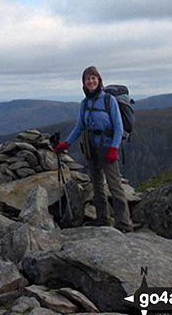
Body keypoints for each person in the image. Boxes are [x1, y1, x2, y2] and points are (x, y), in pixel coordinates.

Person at [54, 66, 134, 233]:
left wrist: (114, 148)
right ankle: (102, 219)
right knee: (97, 185)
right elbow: (79, 127)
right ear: (83, 83)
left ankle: (124, 224)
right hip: (91, 148)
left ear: (99, 80)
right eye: (87, 79)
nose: (90, 81)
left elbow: (118, 127)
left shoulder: (108, 100)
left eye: (93, 78)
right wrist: (66, 143)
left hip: (107, 147)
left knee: (115, 186)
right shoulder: (85, 103)